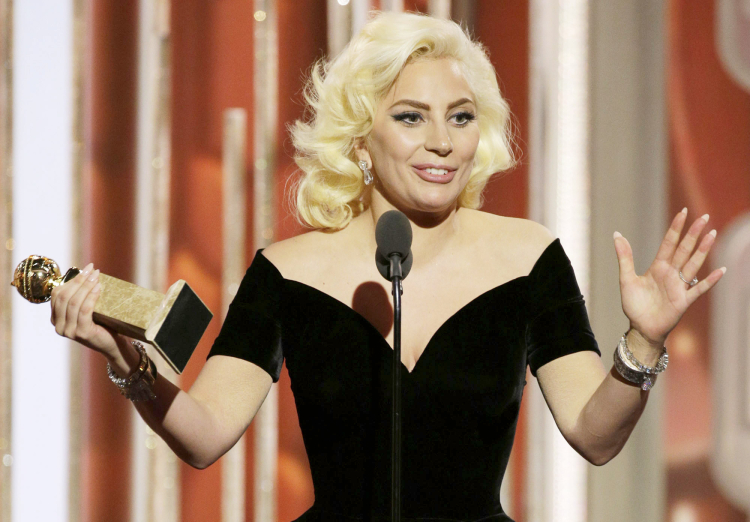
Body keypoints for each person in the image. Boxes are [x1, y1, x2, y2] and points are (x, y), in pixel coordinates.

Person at [49, 11, 725, 522]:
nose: (442, 141)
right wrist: (128, 361)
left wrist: (643, 342)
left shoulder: (527, 257)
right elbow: (204, 436)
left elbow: (594, 435)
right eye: (411, 117)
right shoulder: (286, 273)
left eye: (461, 118)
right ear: (361, 137)